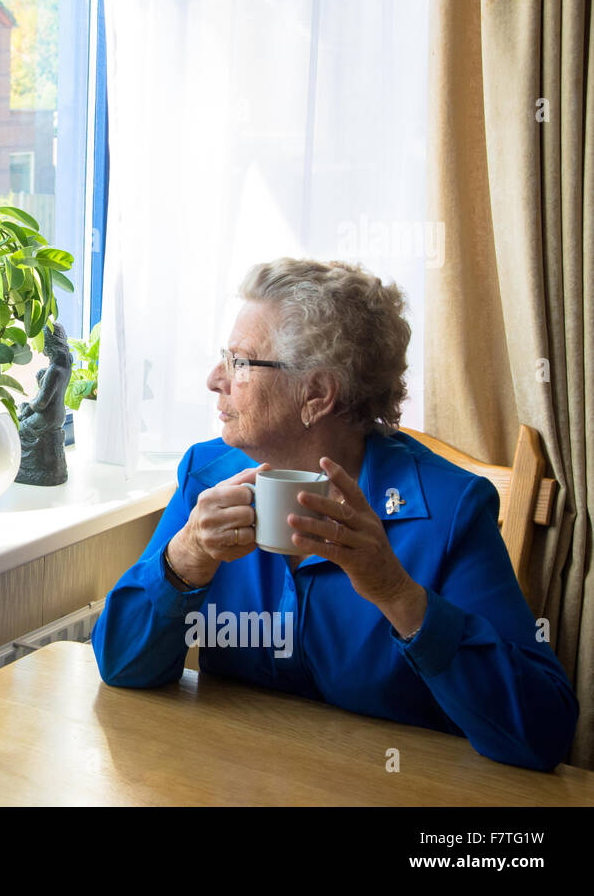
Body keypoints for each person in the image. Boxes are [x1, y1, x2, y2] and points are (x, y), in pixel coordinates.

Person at [91, 258, 578, 771]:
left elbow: (542, 732)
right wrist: (182, 558)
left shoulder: (449, 510)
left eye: (240, 362)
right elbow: (121, 667)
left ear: (317, 395)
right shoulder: (207, 474)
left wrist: (398, 594)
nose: (216, 379)